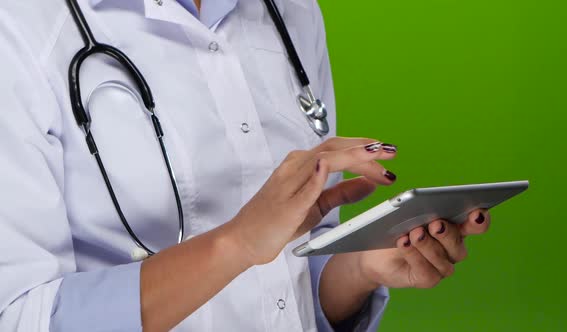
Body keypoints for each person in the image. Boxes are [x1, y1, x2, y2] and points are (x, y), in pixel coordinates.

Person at [0, 0, 491, 331]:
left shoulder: (292, 11)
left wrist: (360, 268)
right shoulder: (21, 27)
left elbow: (293, 273)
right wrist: (236, 243)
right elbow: (22, 315)